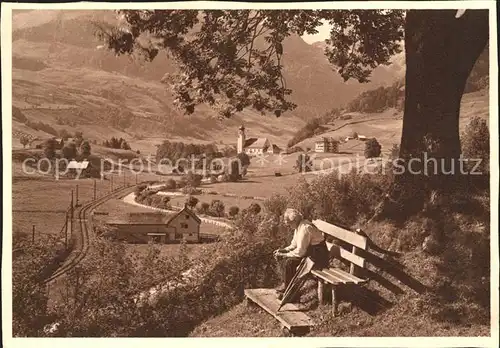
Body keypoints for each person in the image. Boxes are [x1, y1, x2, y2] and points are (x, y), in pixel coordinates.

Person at [273, 208, 329, 299]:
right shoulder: (298, 226)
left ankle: (292, 294)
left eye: (288, 222)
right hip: (310, 252)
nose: (287, 225)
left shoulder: (305, 228)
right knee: (288, 261)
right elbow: (294, 244)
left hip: (319, 256)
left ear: (294, 220)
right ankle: (288, 288)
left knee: (290, 262)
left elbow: (300, 252)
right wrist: (283, 250)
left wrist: (284, 255)